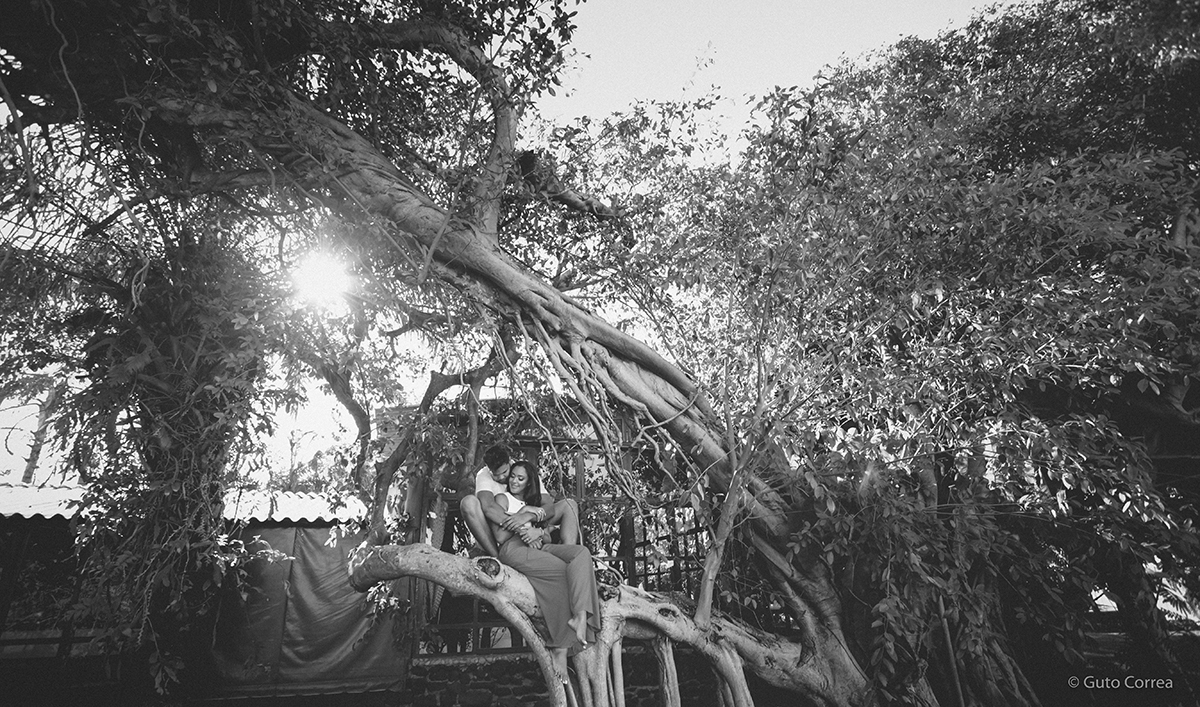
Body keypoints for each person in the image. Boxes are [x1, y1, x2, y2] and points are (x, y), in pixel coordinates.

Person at [492, 459, 601, 681]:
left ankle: (581, 616)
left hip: (539, 545)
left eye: (520, 478)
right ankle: (560, 646)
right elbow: (500, 535)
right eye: (512, 476)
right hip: (514, 548)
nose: (514, 481)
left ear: (529, 482)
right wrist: (525, 519)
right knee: (562, 570)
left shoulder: (537, 503)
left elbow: (548, 536)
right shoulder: (503, 499)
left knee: (581, 554)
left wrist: (538, 532)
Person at [460, 444, 580, 557]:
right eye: (495, 475)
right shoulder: (483, 475)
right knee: (468, 502)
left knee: (569, 504)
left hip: (531, 520)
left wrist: (527, 517)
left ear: (509, 462)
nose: (501, 477)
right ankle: (496, 556)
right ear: (488, 469)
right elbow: (488, 507)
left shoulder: (523, 470)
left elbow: (549, 507)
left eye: (505, 472)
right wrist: (522, 528)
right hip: (501, 528)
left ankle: (568, 554)